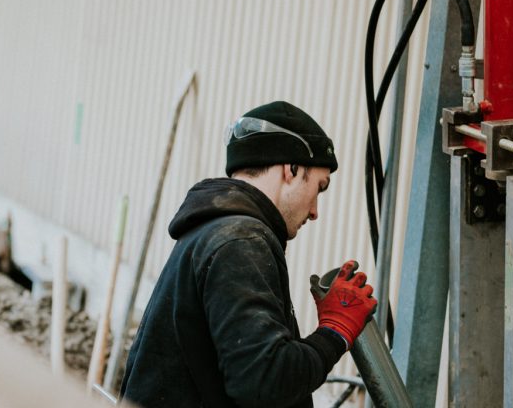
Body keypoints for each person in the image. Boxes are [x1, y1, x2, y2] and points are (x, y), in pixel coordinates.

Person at [120, 101, 377, 408]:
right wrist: (336, 331)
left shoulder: (218, 230)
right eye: (319, 188)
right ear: (291, 169)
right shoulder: (241, 242)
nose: (314, 211)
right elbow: (264, 381)